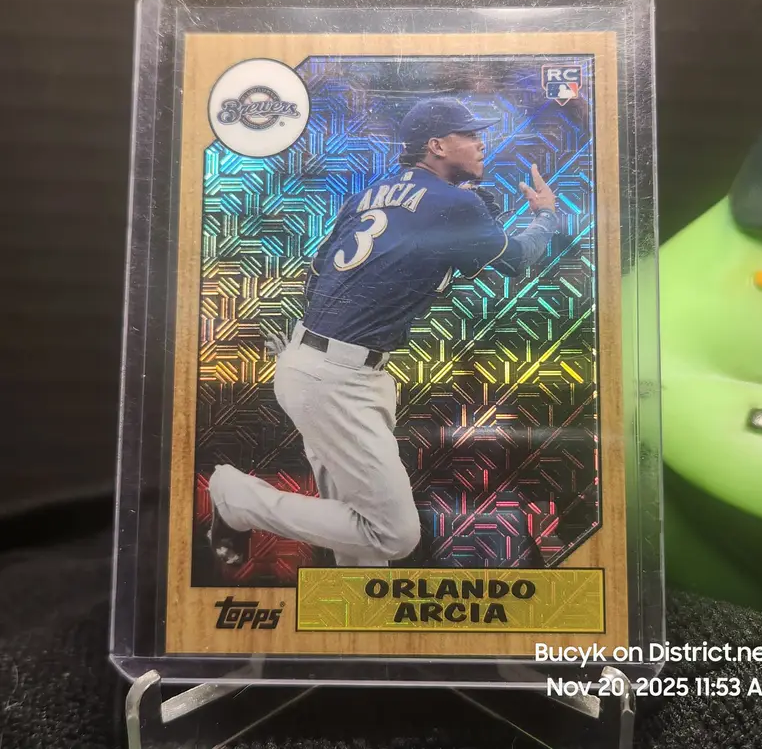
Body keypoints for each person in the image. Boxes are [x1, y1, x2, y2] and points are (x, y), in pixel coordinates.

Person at [207, 96, 561, 568]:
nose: (481, 143)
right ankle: (236, 498)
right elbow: (517, 259)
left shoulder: (366, 197)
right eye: (470, 134)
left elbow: (318, 276)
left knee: (358, 545)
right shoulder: (454, 202)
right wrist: (546, 215)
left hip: (319, 362)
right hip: (337, 378)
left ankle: (352, 608)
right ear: (436, 146)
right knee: (392, 535)